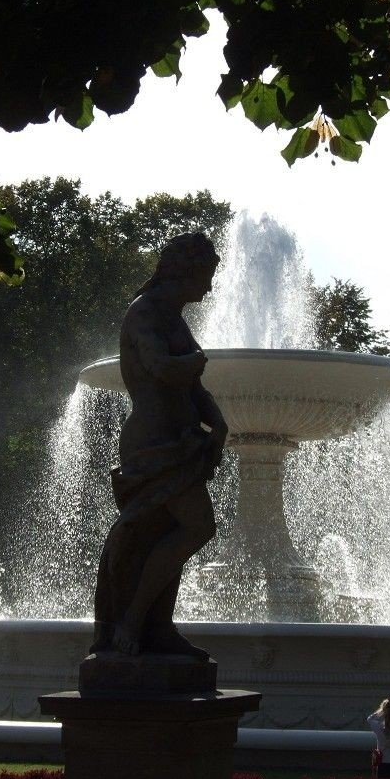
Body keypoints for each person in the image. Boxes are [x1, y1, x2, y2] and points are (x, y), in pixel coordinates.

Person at [91, 232, 228, 658]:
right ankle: (132, 620)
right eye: (205, 277)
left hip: (179, 440)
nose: (209, 288)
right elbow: (160, 369)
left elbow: (194, 388)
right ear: (184, 273)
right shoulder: (144, 312)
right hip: (152, 442)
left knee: (163, 534)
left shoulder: (174, 317)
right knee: (197, 526)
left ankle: (157, 627)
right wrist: (193, 362)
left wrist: (217, 421)